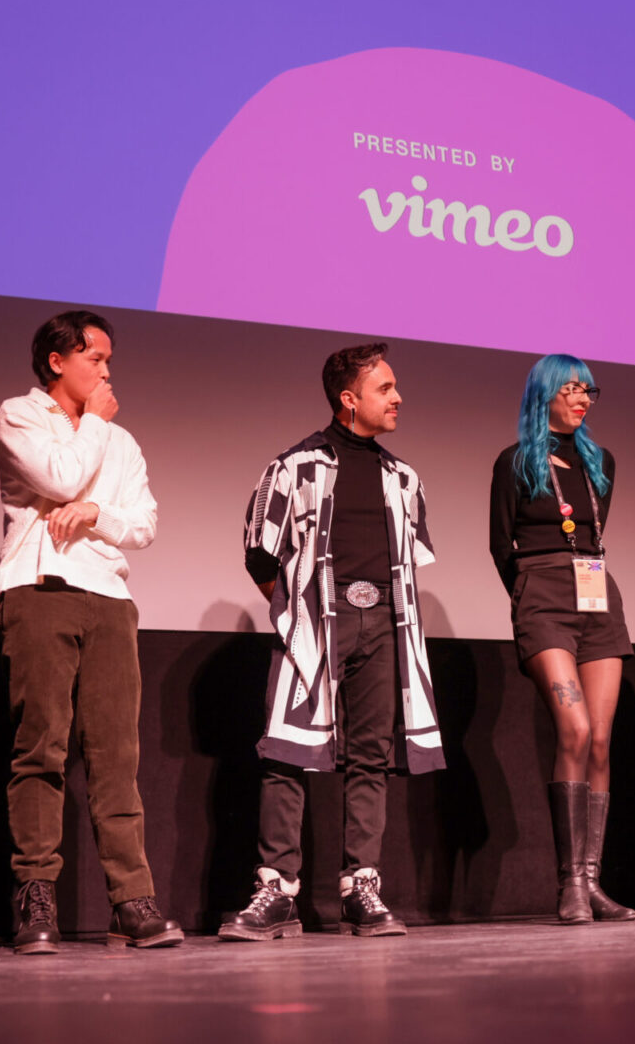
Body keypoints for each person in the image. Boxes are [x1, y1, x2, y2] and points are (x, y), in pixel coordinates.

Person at [220, 343, 444, 941]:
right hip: (318, 619)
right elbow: (259, 554)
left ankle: (360, 889)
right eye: (385, 388)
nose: (398, 398)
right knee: (288, 750)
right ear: (349, 399)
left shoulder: (404, 478)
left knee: (371, 755)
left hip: (386, 623)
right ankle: (277, 891)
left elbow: (411, 561)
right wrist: (299, 612)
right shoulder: (293, 467)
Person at [0, 311, 183, 954]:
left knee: (116, 759)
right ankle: (35, 897)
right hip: (41, 589)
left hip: (109, 598)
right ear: (57, 361)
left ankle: (132, 900)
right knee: (40, 750)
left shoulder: (122, 442)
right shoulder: (20, 415)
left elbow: (144, 524)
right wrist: (94, 424)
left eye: (108, 361)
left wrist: (96, 512)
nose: (105, 372)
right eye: (94, 359)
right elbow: (60, 478)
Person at [487, 355, 635, 923]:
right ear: (544, 393)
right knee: (572, 728)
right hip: (542, 596)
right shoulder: (514, 461)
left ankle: (592, 882)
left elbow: (594, 533)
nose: (582, 399)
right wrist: (529, 596)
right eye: (571, 388)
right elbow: (501, 544)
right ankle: (569, 883)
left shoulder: (603, 461)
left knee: (599, 738)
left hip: (597, 595)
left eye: (588, 390)